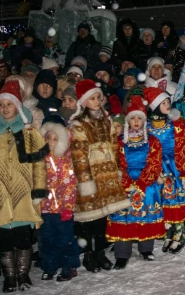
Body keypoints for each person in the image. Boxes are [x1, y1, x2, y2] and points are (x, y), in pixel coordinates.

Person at [0, 80, 49, 292]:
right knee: (5, 239)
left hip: (24, 193)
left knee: (23, 237)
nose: (5, 108)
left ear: (18, 106)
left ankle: (23, 273)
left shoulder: (30, 134)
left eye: (9, 104)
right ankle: (9, 276)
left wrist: (39, 190)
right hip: (0, 193)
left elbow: (39, 165)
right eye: (1, 104)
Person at [69, 79, 131, 273]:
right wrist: (85, 181)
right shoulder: (78, 124)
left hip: (107, 174)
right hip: (90, 174)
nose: (97, 101)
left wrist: (116, 169)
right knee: (89, 218)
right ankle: (89, 254)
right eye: (93, 98)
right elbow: (78, 155)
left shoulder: (107, 119)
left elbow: (114, 145)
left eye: (98, 97)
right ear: (85, 101)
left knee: (103, 217)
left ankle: (100, 252)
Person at [106, 95, 164, 269]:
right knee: (122, 216)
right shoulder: (120, 142)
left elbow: (155, 163)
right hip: (125, 184)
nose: (136, 121)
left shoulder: (153, 141)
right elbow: (117, 164)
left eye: (140, 118)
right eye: (133, 118)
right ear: (128, 121)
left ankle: (146, 248)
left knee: (146, 213)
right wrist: (126, 182)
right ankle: (122, 253)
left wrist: (141, 183)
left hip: (146, 183)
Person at [144, 87, 185, 254]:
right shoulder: (147, 127)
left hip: (175, 168)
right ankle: (168, 234)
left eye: (168, 102)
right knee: (162, 202)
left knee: (176, 201)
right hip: (157, 169)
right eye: (163, 103)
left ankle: (180, 234)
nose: (168, 105)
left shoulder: (176, 123)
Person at [38, 116, 79, 282]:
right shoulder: (41, 160)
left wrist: (68, 207)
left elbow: (70, 186)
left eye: (55, 139)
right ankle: (49, 266)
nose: (51, 142)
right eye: (48, 138)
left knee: (65, 240)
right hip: (45, 208)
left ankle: (68, 266)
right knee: (47, 240)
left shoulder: (65, 162)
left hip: (62, 210)